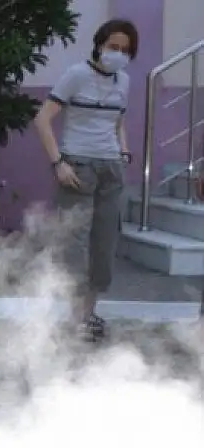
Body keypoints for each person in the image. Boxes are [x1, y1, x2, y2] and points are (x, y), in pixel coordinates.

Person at [33, 19, 138, 343]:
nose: (118, 54)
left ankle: (89, 313)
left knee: (104, 244)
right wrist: (58, 163)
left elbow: (118, 121)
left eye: (125, 50)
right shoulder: (76, 75)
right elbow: (43, 119)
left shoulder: (124, 81)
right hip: (78, 166)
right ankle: (72, 317)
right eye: (113, 47)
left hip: (111, 169)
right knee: (74, 244)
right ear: (99, 44)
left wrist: (124, 151)